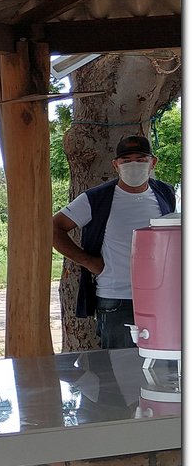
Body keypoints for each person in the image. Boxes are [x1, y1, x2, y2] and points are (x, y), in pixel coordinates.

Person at [52, 134, 175, 349]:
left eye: (140, 159)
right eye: (126, 161)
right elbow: (53, 228)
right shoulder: (95, 199)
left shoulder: (164, 193)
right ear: (116, 165)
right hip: (116, 299)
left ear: (153, 162)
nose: (133, 165)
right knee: (120, 370)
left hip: (161, 296)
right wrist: (89, 262)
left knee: (161, 365)